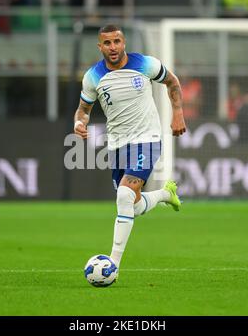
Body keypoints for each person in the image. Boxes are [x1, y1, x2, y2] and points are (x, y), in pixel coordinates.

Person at [73, 24, 186, 269]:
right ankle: (166, 194)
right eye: (107, 43)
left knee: (124, 195)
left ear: (124, 42)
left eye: (117, 41)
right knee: (131, 205)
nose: (113, 47)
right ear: (99, 46)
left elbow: (172, 82)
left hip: (147, 138)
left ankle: (112, 264)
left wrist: (177, 112)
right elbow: (83, 110)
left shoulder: (145, 64)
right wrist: (79, 123)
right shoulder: (93, 77)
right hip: (117, 145)